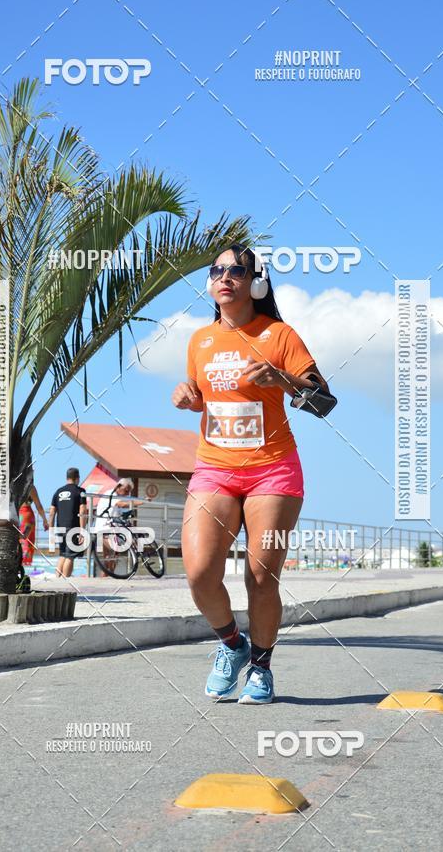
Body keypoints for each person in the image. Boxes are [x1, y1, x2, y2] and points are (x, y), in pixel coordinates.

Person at [172, 243, 329, 704]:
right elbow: (206, 399)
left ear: (255, 281)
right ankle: (232, 645)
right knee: (200, 572)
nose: (225, 277)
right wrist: (189, 397)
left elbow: (323, 403)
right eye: (217, 270)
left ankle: (261, 667)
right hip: (214, 470)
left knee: (261, 576)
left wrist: (282, 380)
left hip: (272, 472)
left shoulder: (279, 334)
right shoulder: (199, 340)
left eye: (236, 270)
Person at [93, 478, 142, 575]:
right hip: (104, 529)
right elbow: (122, 505)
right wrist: (141, 502)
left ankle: (108, 575)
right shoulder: (111, 494)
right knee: (115, 550)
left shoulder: (114, 496)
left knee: (109, 556)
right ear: (119, 486)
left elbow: (118, 512)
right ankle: (109, 574)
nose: (127, 494)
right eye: (126, 490)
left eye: (129, 492)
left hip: (108, 528)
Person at [49, 468, 87, 578]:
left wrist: (51, 530)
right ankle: (66, 581)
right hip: (73, 527)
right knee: (70, 556)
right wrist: (82, 530)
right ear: (77, 478)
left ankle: (58, 579)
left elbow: (52, 512)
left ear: (67, 478)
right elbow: (83, 510)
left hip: (60, 527)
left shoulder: (58, 491)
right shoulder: (81, 491)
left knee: (62, 554)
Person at [19, 485, 49, 567]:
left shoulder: (12, 482)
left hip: (15, 514)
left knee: (18, 540)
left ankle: (17, 564)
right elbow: (38, 505)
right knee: (27, 542)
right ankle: (24, 565)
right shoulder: (30, 486)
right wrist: (44, 520)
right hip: (27, 515)